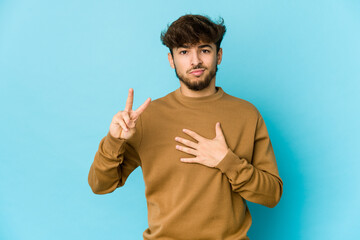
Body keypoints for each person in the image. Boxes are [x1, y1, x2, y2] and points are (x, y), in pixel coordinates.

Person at [88, 14, 283, 240]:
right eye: (184, 52)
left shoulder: (247, 114)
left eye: (204, 50)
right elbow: (100, 185)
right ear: (171, 60)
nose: (195, 61)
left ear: (218, 55)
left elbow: (272, 195)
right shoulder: (147, 117)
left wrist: (227, 162)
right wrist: (115, 140)